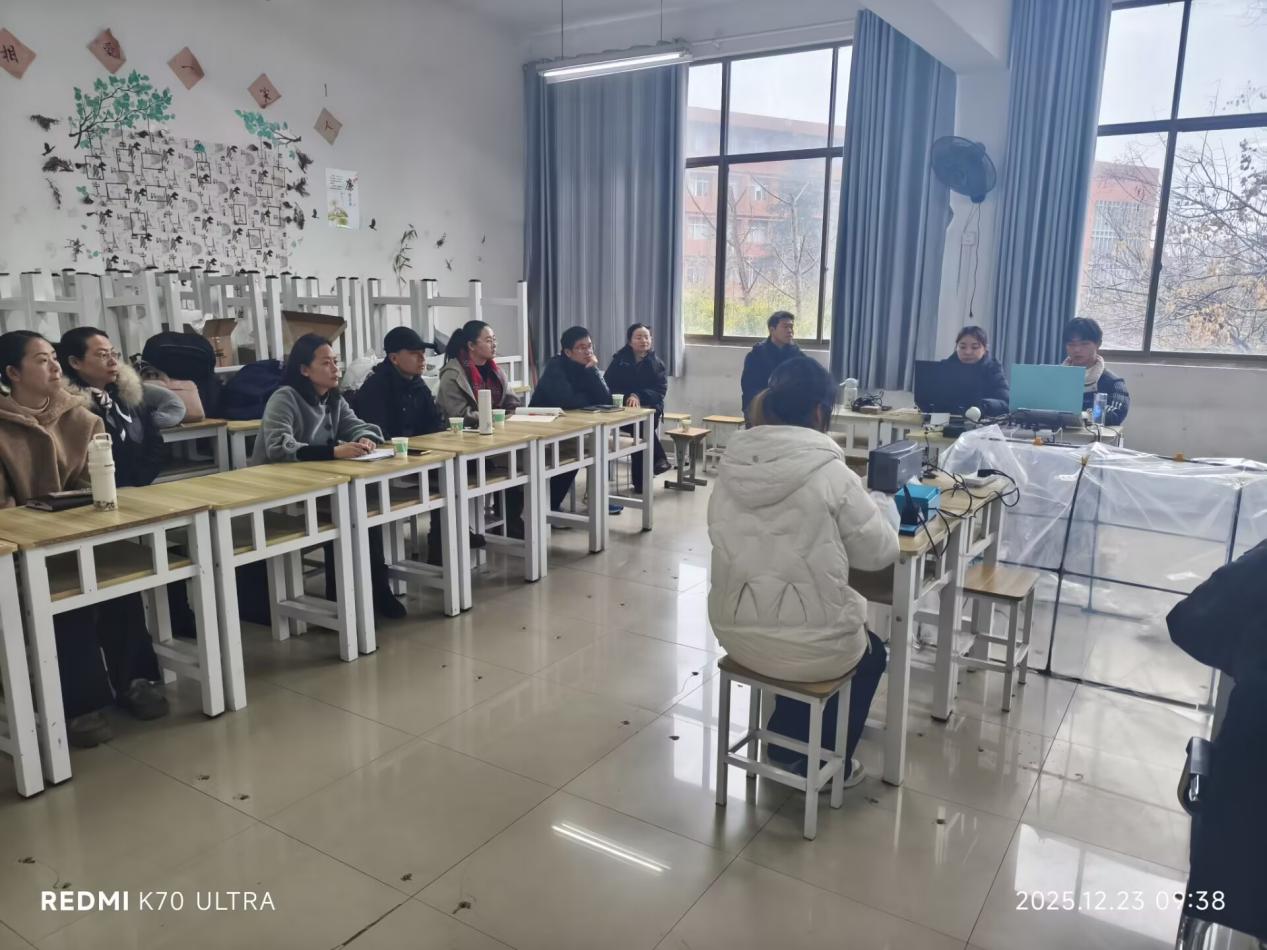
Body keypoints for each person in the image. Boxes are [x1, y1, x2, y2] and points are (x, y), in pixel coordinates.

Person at [708, 356, 900, 787]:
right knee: (867, 651)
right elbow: (878, 554)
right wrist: (881, 504)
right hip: (809, 645)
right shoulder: (832, 473)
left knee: (796, 626)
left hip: (733, 630)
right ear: (819, 412)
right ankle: (825, 765)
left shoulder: (730, 465)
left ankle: (784, 743)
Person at [0, 330, 168, 749]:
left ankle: (134, 679)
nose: (54, 367)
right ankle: (80, 704)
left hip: (78, 536)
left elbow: (97, 484)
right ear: (12, 373)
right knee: (62, 598)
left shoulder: (81, 417)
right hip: (19, 552)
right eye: (41, 360)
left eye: (54, 358)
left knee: (119, 584)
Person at [252, 333, 405, 619]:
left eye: (336, 361)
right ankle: (344, 595)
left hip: (317, 483)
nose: (336, 369)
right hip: (279, 488)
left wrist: (365, 438)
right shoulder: (285, 397)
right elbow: (278, 447)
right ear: (304, 369)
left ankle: (375, 589)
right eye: (326, 363)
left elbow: (359, 426)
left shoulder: (333, 399)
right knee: (348, 513)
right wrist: (333, 452)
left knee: (363, 511)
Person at [58, 326, 186, 489]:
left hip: (138, 487)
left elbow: (154, 441)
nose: (113, 361)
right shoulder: (71, 407)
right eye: (103, 355)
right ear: (75, 362)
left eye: (114, 354)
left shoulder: (128, 394)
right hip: (95, 491)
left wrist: (140, 481)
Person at [531, 326, 620, 513]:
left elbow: (605, 399)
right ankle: (550, 507)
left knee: (592, 446)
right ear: (568, 352)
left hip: (567, 426)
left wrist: (593, 370)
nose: (588, 351)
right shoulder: (556, 367)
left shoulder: (586, 367)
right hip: (542, 428)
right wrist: (587, 398)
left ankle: (592, 499)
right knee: (577, 452)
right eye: (581, 347)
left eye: (590, 346)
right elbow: (568, 401)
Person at [604, 323, 671, 494]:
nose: (643, 341)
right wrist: (628, 397)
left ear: (651, 340)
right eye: (638, 337)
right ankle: (657, 461)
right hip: (623, 410)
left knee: (641, 427)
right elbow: (608, 385)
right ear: (630, 341)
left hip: (650, 408)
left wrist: (639, 396)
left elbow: (660, 391)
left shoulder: (656, 363)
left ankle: (643, 480)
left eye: (646, 337)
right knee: (640, 429)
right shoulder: (619, 361)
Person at [1062, 317, 1129, 425]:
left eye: (1084, 344)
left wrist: (1083, 416)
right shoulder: (1054, 378)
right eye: (1071, 344)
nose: (1077, 349)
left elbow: (1115, 415)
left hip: (1092, 435)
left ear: (1098, 344)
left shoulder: (1113, 382)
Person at [740, 311, 802, 424]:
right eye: (785, 327)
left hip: (789, 412)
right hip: (761, 410)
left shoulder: (797, 355)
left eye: (791, 327)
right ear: (772, 330)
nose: (790, 331)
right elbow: (750, 388)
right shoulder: (756, 355)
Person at [941, 325, 1010, 417]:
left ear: (985, 349)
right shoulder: (944, 367)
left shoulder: (993, 368)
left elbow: (1005, 402)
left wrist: (984, 406)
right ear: (956, 347)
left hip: (982, 421)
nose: (967, 352)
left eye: (975, 347)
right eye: (962, 347)